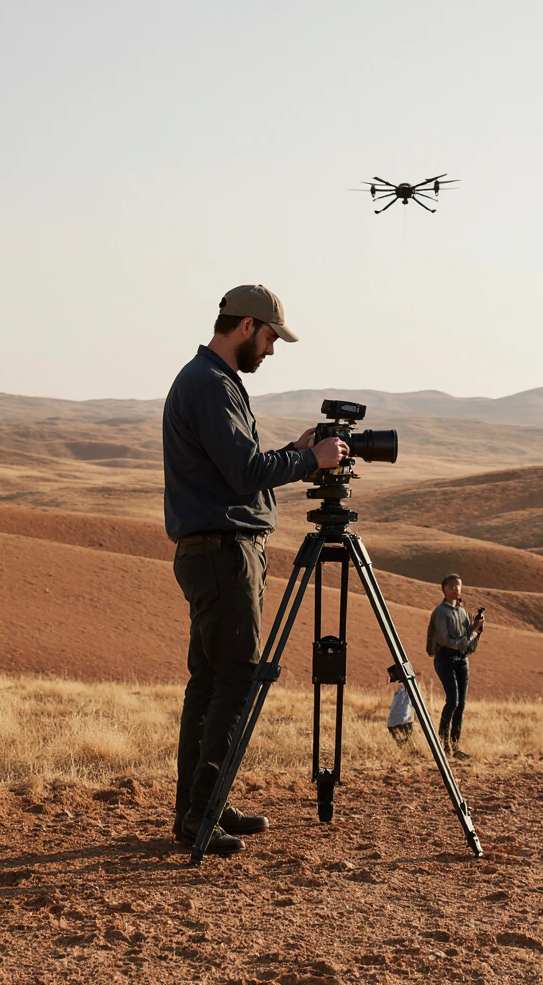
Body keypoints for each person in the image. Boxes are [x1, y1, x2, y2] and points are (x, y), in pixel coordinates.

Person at [163, 284, 349, 854]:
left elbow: (239, 468)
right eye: (269, 337)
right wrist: (309, 460)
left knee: (211, 681)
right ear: (246, 326)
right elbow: (245, 473)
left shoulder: (212, 383)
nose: (271, 350)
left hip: (218, 550)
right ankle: (201, 813)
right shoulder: (209, 386)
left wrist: (293, 450)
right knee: (236, 680)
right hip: (222, 553)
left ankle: (203, 803)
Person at [426, 574, 484, 759]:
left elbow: (468, 640)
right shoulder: (441, 612)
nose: (456, 590)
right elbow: (446, 640)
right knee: (453, 701)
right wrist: (470, 635)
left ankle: (455, 747)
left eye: (458, 587)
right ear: (444, 589)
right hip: (445, 659)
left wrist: (476, 628)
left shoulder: (463, 612)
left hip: (462, 660)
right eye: (452, 587)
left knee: (461, 704)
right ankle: (442, 746)